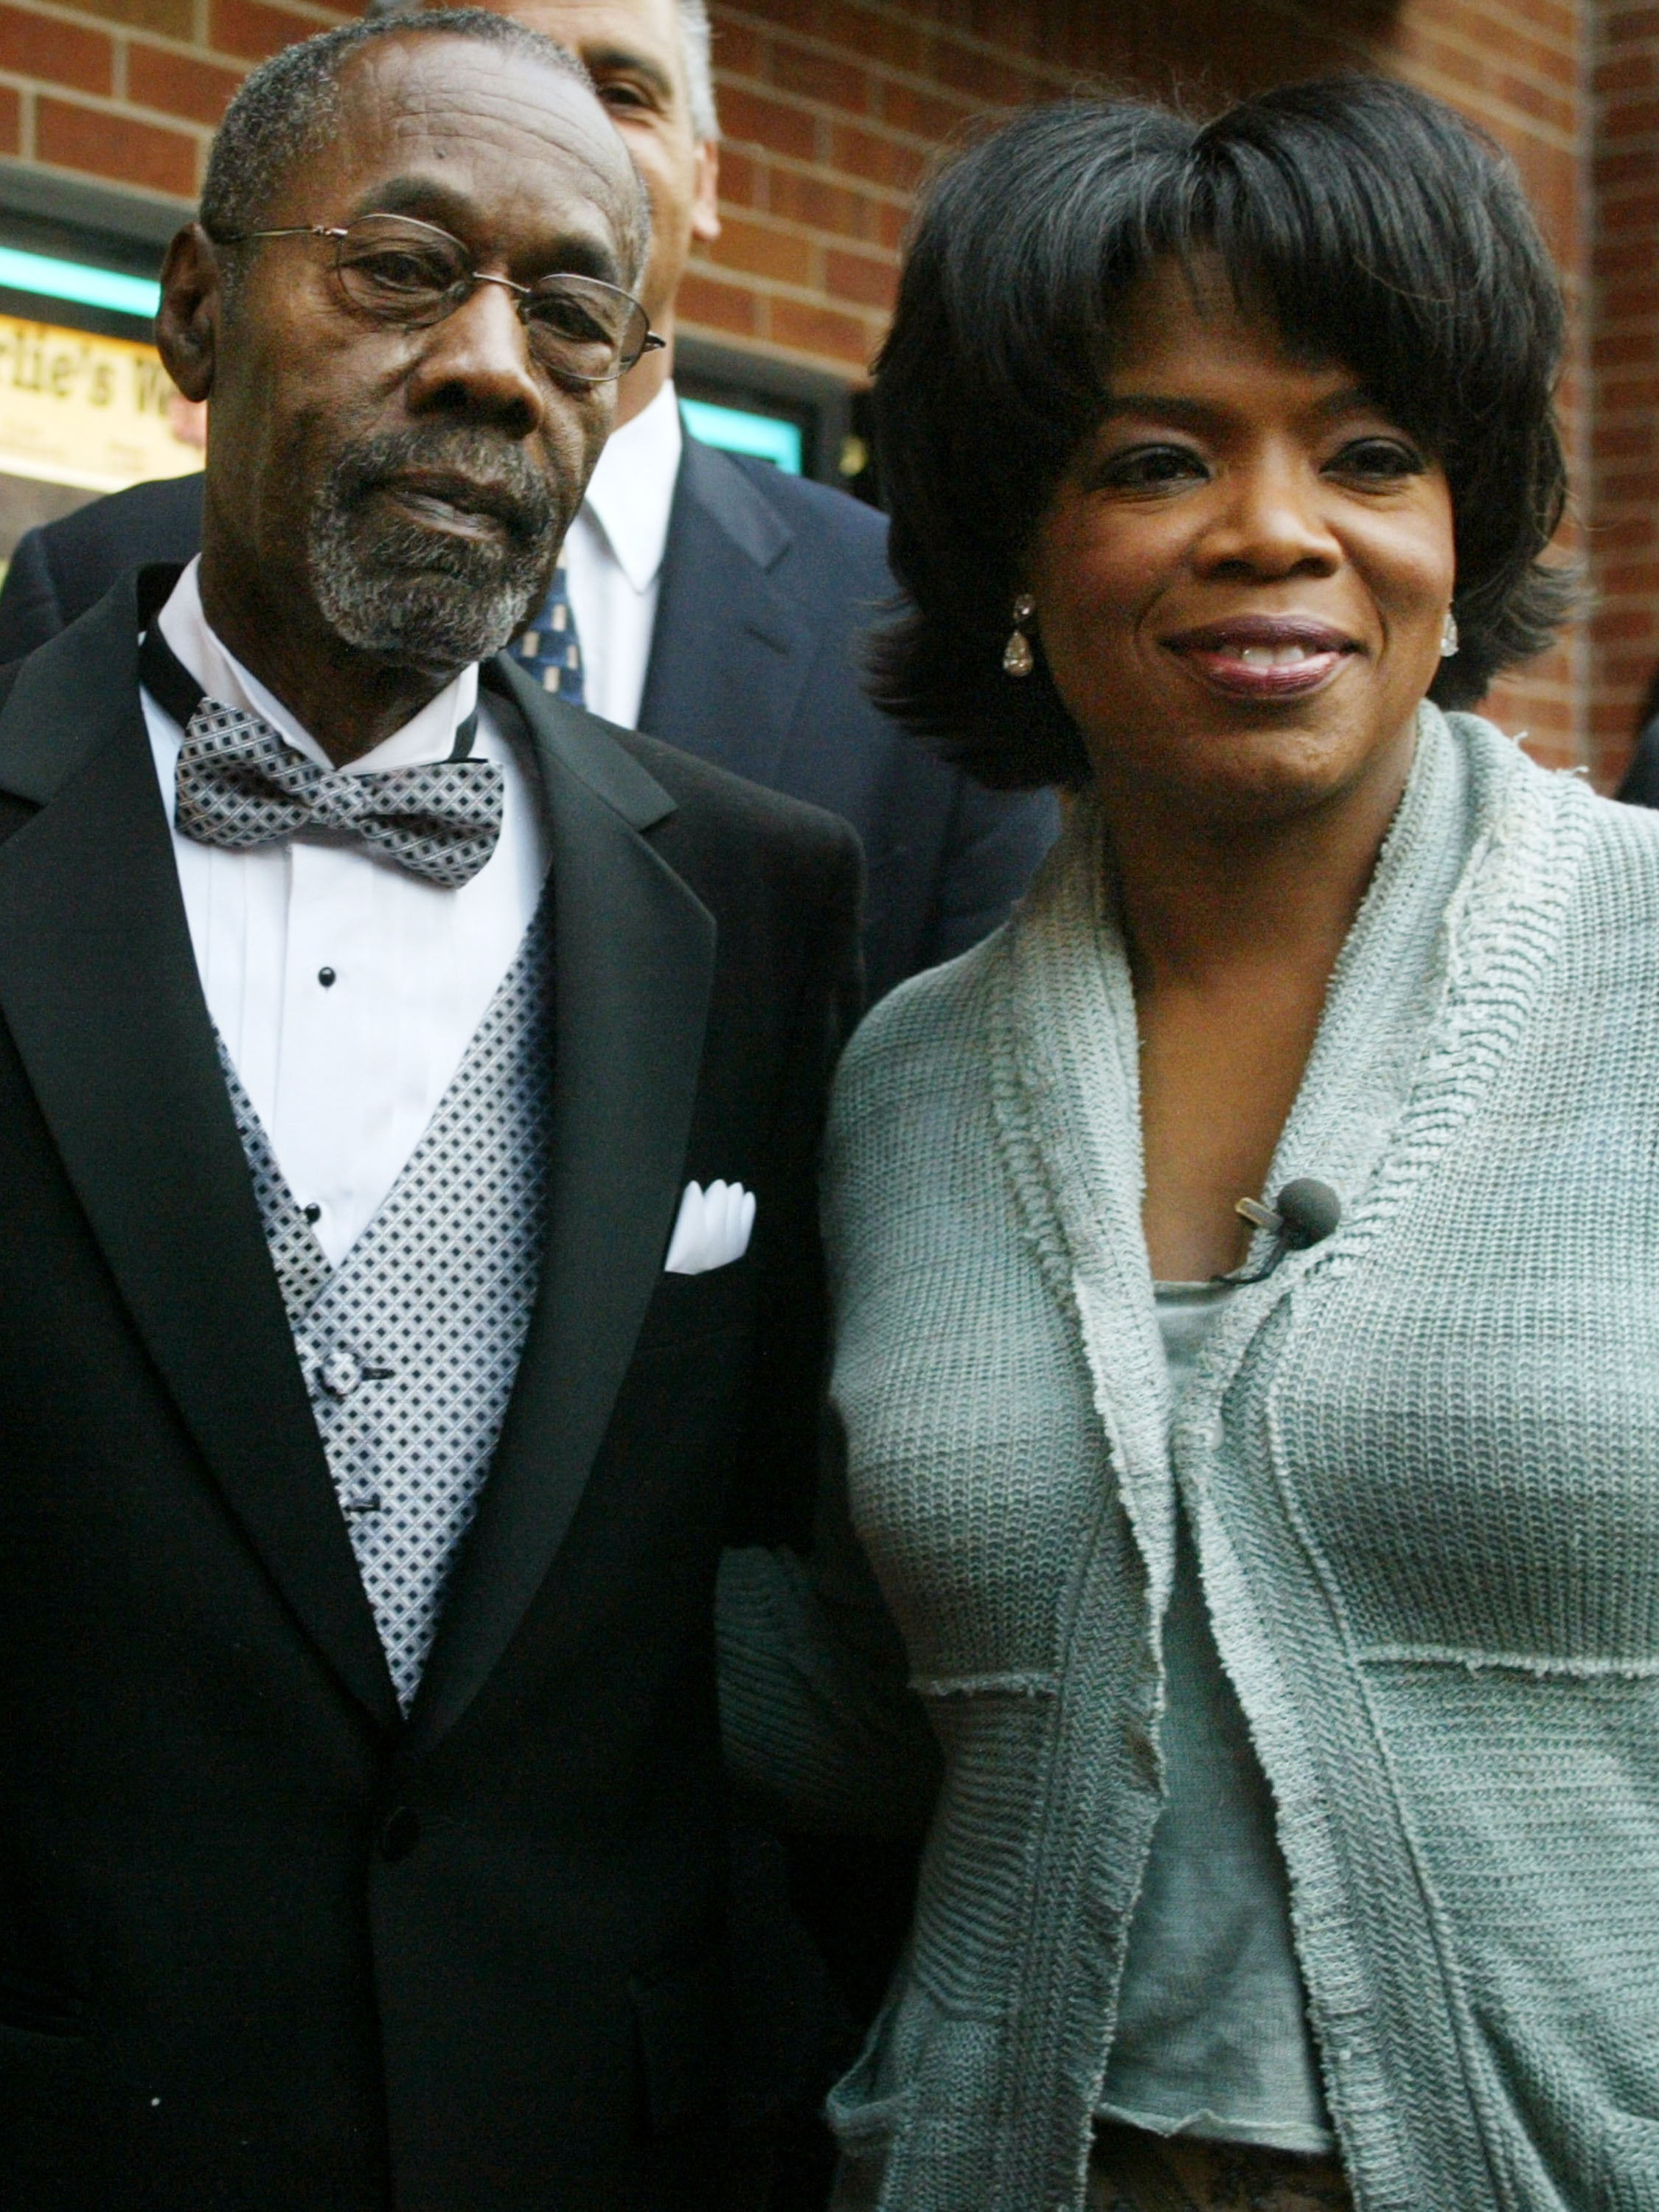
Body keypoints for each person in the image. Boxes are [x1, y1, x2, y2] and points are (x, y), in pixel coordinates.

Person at [717, 78, 1659, 2212]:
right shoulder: (906, 1084)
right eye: (1156, 457)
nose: (1272, 526)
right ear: (1010, 553)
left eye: (1369, 453)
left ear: (1464, 526)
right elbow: (888, 1706)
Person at [0, 13, 863, 2207]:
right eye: (399, 270)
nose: (493, 363)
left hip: (595, 2133)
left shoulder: (756, 899)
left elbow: (772, 1554)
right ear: (198, 312)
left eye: (573, 312)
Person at [0, 0, 1057, 1006]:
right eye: (407, 265)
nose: (549, 124)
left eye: (621, 90)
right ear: (196, 310)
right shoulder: (94, 571)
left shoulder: (913, 614)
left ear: (705, 173)